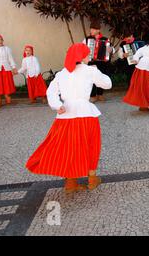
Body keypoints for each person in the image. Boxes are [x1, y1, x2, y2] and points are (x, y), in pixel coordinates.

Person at [26, 43, 112, 193]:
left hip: (65, 115)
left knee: (68, 147)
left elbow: (50, 92)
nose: (88, 57)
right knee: (91, 144)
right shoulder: (90, 70)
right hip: (86, 113)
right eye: (87, 54)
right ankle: (92, 179)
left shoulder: (62, 73)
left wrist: (57, 105)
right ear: (82, 56)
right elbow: (108, 84)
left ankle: (70, 182)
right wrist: (97, 72)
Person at [82, 20, 114, 103]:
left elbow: (111, 49)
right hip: (91, 62)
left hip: (102, 62)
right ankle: (92, 95)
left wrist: (111, 50)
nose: (91, 31)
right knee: (91, 78)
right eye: (91, 29)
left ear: (98, 30)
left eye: (93, 29)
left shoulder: (105, 39)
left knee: (101, 77)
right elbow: (82, 49)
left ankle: (100, 94)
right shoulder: (87, 40)